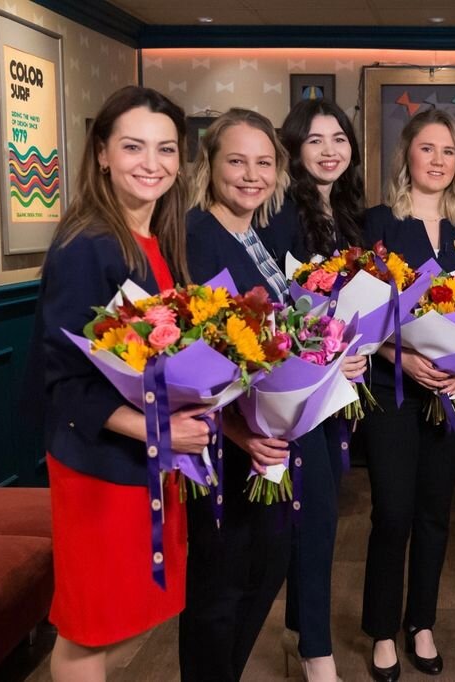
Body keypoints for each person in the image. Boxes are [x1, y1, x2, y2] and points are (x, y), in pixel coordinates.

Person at [29, 85, 206, 681]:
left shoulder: (157, 240)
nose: (151, 163)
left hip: (143, 458)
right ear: (102, 153)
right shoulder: (86, 244)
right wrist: (161, 431)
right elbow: (64, 382)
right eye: (133, 147)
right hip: (99, 465)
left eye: (166, 149)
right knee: (90, 629)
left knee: (123, 617)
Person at [179, 108, 316, 682]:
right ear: (210, 166)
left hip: (266, 435)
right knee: (220, 586)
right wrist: (240, 433)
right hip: (222, 444)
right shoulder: (195, 237)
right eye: (236, 161)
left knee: (265, 567)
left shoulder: (256, 234)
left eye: (263, 163)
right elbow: (191, 363)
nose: (251, 175)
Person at [360, 109, 455, 681]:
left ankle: (422, 622)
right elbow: (356, 316)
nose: (437, 160)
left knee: (435, 511)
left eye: (449, 151)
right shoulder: (377, 223)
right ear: (406, 154)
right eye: (427, 148)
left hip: (453, 389)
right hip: (392, 388)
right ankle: (383, 630)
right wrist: (398, 356)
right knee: (392, 511)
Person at [259, 98, 368, 682]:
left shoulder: (348, 213)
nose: (330, 150)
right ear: (294, 149)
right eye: (315, 140)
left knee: (320, 513)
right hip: (295, 390)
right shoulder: (280, 213)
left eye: (339, 138)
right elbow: (276, 307)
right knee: (317, 514)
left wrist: (357, 347)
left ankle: (299, 631)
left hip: (335, 389)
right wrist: (326, 355)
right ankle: (316, 653)